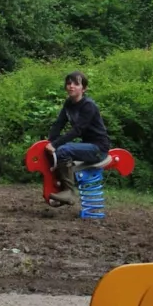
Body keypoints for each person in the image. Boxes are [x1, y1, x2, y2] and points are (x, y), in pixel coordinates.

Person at [43, 71, 111, 208]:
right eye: (69, 83)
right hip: (87, 145)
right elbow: (59, 124)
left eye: (76, 84)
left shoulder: (88, 106)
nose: (71, 86)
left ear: (83, 88)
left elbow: (77, 130)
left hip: (98, 148)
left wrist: (55, 144)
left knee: (63, 150)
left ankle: (68, 191)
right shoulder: (69, 103)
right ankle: (61, 188)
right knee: (56, 151)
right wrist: (49, 142)